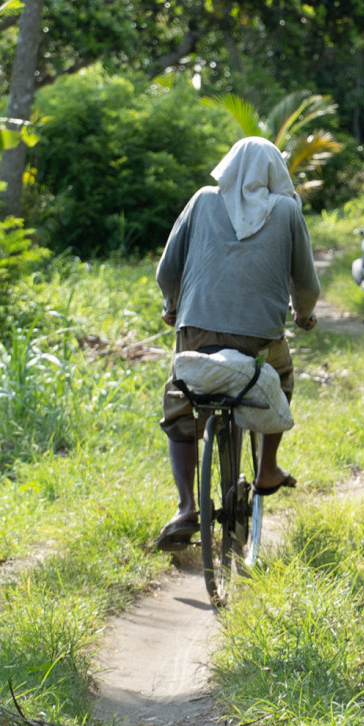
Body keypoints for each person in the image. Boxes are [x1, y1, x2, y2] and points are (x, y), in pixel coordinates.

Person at [154, 136, 320, 551]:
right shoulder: (286, 209)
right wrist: (302, 315)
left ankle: (186, 506)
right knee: (279, 379)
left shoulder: (202, 200)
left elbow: (167, 268)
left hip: (196, 331)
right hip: (258, 339)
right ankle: (267, 468)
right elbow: (305, 281)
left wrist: (171, 305)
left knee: (181, 398)